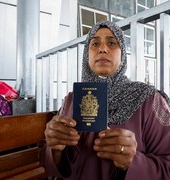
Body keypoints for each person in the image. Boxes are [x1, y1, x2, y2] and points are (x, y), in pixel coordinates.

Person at [38, 21, 170, 180]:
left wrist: (133, 162)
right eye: (94, 43)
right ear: (87, 55)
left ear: (123, 54)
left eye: (112, 42)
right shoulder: (72, 99)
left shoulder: (149, 100)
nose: (102, 48)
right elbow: (49, 163)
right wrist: (55, 149)